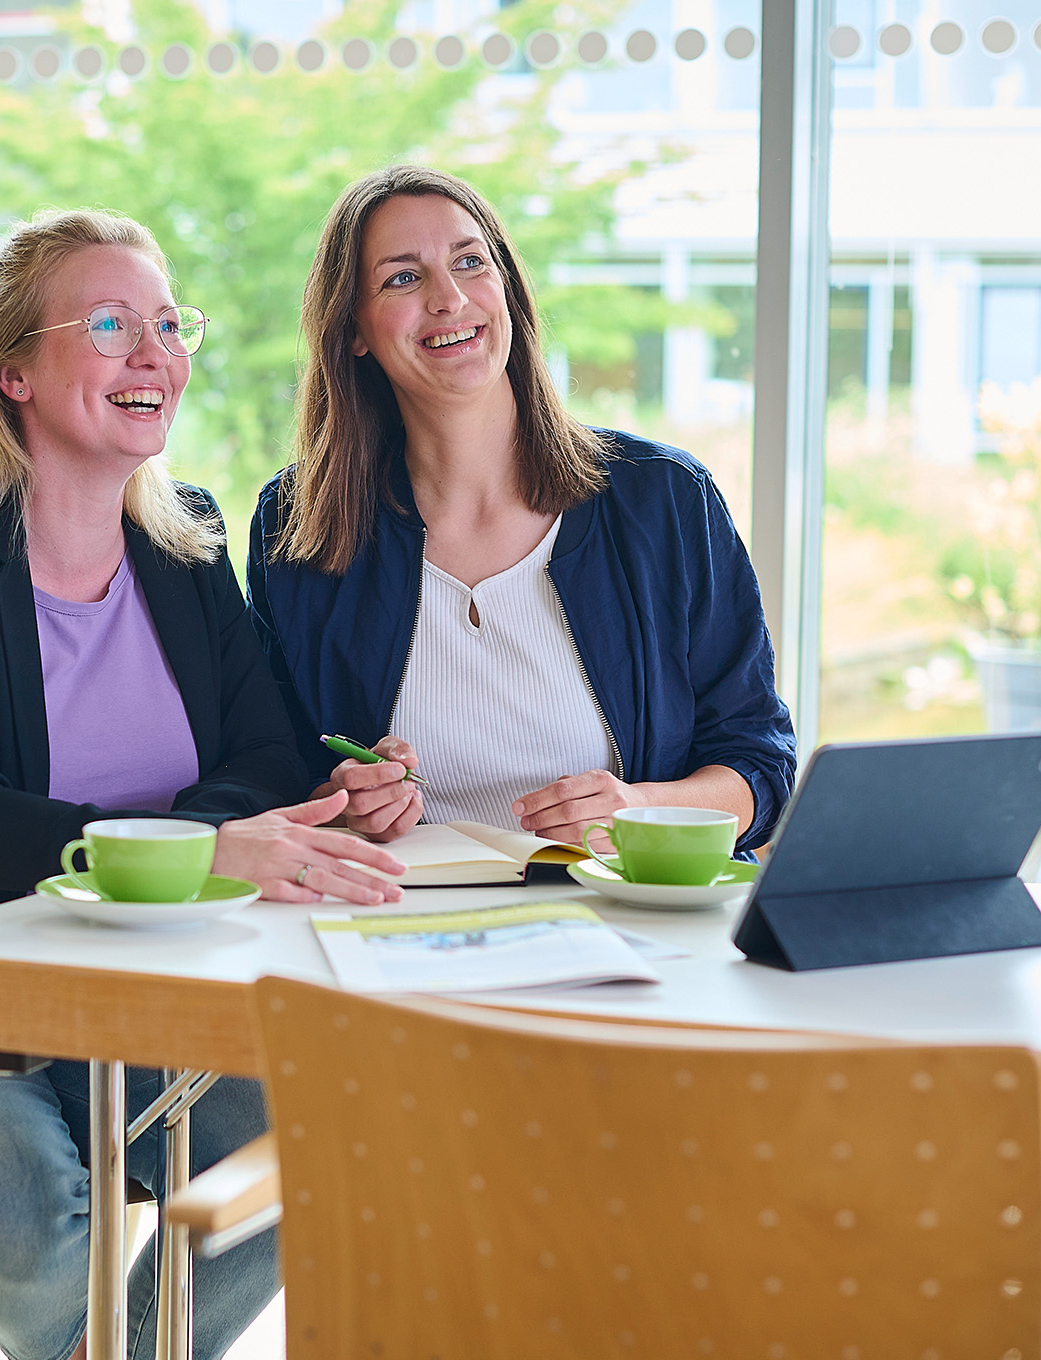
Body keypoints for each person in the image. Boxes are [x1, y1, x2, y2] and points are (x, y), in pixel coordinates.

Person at [0, 208, 403, 1360]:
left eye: (165, 322)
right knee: (10, 1190)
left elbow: (265, 758)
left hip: (141, 1002)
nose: (154, 354)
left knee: (325, 1129)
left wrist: (303, 800)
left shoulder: (187, 537)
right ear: (13, 372)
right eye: (109, 324)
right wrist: (201, 852)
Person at [248, 166, 796, 851]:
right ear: (353, 329)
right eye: (402, 278)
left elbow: (760, 767)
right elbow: (272, 771)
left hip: (622, 921)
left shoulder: (663, 500)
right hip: (396, 926)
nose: (448, 299)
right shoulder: (294, 526)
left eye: (469, 262)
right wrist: (339, 802)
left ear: (506, 288)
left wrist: (636, 810)